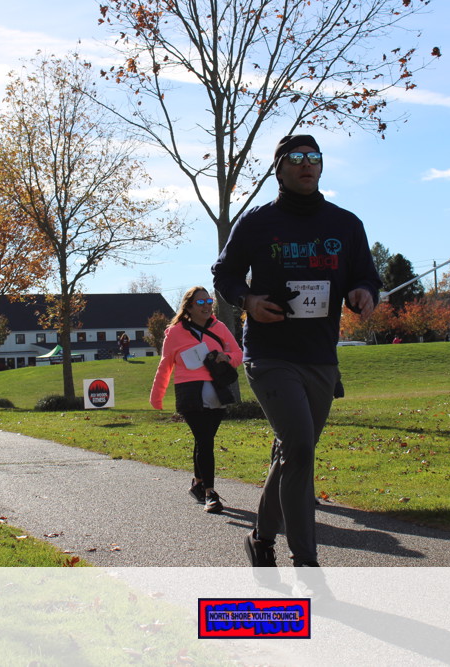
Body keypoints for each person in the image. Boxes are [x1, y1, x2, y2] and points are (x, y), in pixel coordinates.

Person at [212, 134, 381, 571]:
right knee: (301, 448)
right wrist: (248, 300)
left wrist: (364, 292)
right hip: (269, 353)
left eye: (314, 157)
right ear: (279, 169)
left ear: (321, 167)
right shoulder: (257, 222)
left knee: (292, 452)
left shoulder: (346, 224)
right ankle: (306, 560)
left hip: (320, 356)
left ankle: (260, 539)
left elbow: (366, 275)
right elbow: (225, 273)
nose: (307, 164)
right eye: (296, 158)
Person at [150, 287, 243, 514]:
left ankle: (198, 484)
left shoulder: (219, 328)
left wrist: (226, 357)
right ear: (189, 307)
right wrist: (157, 396)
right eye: (200, 302)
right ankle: (210, 493)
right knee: (205, 441)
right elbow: (165, 366)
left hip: (217, 391)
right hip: (190, 393)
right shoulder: (175, 332)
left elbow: (239, 354)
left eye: (209, 301)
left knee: (204, 440)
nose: (206, 305)